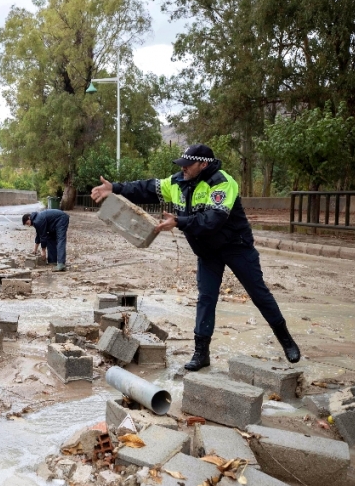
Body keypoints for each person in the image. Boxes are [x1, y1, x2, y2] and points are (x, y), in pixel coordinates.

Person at [90, 143, 301, 371]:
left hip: (235, 247)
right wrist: (116, 189)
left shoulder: (222, 183)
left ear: (203, 164)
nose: (184, 169)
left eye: (188, 165)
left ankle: (286, 340)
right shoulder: (179, 182)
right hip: (207, 251)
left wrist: (179, 222)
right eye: (182, 165)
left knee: (259, 294)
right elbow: (149, 188)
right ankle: (201, 354)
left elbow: (212, 221)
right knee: (206, 299)